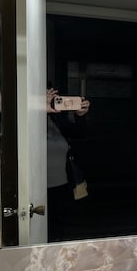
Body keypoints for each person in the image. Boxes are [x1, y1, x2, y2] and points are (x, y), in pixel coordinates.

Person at [46, 87, 91, 241]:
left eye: (52, 94)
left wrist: (80, 116)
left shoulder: (55, 118)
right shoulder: (22, 116)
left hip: (61, 186)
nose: (49, 97)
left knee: (59, 233)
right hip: (33, 189)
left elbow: (80, 133)